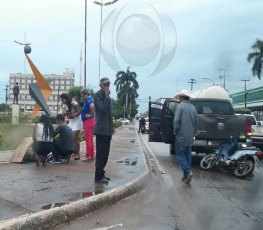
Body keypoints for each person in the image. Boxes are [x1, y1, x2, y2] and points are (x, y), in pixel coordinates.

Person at [173, 90, 197, 184]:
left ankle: (188, 171)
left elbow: (176, 121)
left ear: (182, 98)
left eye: (179, 99)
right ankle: (186, 176)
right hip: (190, 136)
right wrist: (193, 134)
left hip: (181, 135)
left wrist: (176, 131)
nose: (179, 100)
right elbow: (196, 123)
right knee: (187, 156)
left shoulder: (180, 106)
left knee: (179, 154)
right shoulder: (193, 108)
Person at [93, 77, 114, 184]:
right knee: (101, 154)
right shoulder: (97, 95)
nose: (107, 86)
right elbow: (102, 108)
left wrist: (112, 127)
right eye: (105, 84)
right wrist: (106, 96)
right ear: (100, 85)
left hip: (107, 130)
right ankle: (98, 176)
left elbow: (109, 114)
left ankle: (101, 173)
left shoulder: (107, 97)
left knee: (105, 154)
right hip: (101, 130)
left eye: (108, 84)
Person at [60, 93, 82, 160]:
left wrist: (72, 115)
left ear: (66, 99)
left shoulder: (73, 103)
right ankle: (73, 152)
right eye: (61, 100)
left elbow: (79, 112)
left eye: (63, 100)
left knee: (75, 137)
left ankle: (77, 154)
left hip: (77, 120)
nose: (62, 101)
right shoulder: (65, 105)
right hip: (71, 121)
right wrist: (65, 113)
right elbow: (64, 112)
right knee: (69, 136)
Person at [80, 89, 95, 162]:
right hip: (91, 121)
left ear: (86, 94)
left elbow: (92, 106)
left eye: (83, 96)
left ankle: (88, 155)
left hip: (88, 121)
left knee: (88, 139)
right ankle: (91, 155)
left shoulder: (89, 99)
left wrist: (90, 114)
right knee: (91, 139)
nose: (82, 97)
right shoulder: (90, 99)